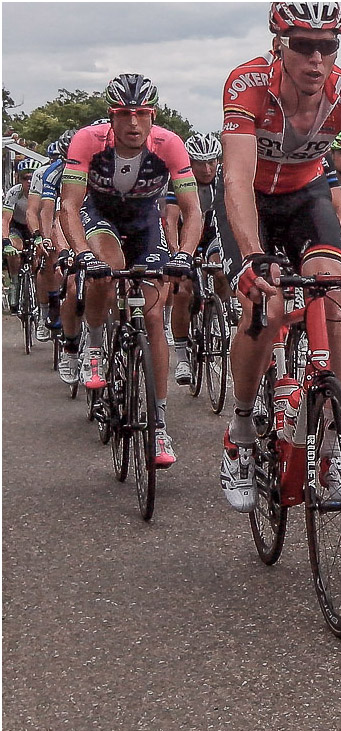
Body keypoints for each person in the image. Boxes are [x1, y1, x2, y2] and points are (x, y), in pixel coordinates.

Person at [219, 1, 341, 512]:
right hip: (253, 201)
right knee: (269, 306)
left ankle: (333, 437)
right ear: (279, 44)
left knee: (333, 289)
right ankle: (240, 430)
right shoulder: (247, 85)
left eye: (327, 47)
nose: (316, 59)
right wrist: (253, 255)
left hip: (306, 199)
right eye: (304, 46)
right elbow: (236, 179)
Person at [60, 73, 202, 467]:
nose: (134, 123)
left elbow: (192, 210)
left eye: (142, 113)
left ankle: (158, 426)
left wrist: (185, 254)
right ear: (112, 116)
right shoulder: (88, 141)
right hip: (101, 216)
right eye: (125, 114)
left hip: (144, 222)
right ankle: (92, 346)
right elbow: (70, 206)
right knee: (107, 269)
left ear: (152, 115)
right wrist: (82, 253)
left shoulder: (169, 144)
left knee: (154, 315)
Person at [163, 132, 233, 385]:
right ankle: (181, 356)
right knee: (182, 292)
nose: (207, 168)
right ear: (189, 162)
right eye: (200, 163)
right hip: (186, 237)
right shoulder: (179, 179)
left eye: (212, 161)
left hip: (214, 236)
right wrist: (176, 253)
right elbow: (170, 220)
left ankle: (217, 314)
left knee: (222, 271)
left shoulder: (225, 178)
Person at [29, 130, 76, 344]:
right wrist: (43, 238)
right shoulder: (49, 173)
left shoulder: (96, 166)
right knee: (52, 256)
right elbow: (45, 211)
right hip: (61, 215)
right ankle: (50, 307)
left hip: (86, 215)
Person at [2, 158, 42, 314]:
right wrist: (6, 242)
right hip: (17, 226)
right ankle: (15, 282)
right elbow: (5, 220)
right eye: (25, 177)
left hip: (37, 227)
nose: (29, 181)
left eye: (33, 177)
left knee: (39, 257)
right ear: (18, 179)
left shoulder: (44, 191)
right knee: (15, 249)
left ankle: (38, 289)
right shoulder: (15, 192)